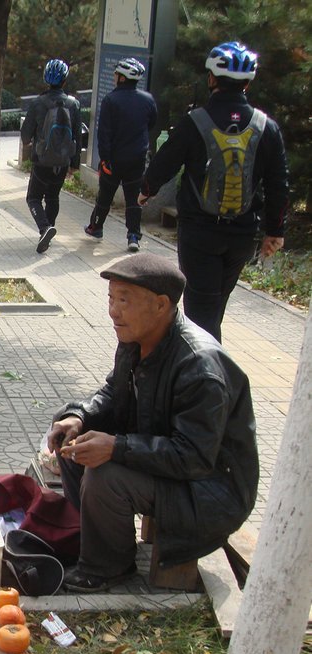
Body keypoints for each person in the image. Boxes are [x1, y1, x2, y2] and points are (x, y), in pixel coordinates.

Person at [47, 252, 258, 593]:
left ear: (161, 306)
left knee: (105, 474)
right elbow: (113, 393)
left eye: (124, 301)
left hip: (211, 489)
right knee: (74, 446)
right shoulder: (137, 339)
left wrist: (116, 447)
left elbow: (194, 457)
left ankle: (109, 568)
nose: (113, 311)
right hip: (170, 460)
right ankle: (90, 539)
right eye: (111, 299)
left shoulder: (199, 367)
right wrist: (80, 416)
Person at [139, 42, 288, 342]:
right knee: (215, 306)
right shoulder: (266, 127)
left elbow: (166, 161)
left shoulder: (195, 122)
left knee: (201, 314)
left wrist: (146, 190)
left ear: (211, 79)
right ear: (247, 83)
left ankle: (204, 379)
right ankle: (205, 372)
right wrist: (275, 230)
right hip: (242, 235)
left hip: (200, 232)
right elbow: (277, 182)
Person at [84, 58, 157, 253]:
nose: (115, 77)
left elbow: (104, 133)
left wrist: (105, 159)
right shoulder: (148, 100)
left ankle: (96, 227)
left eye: (116, 74)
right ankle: (133, 236)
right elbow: (151, 124)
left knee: (105, 196)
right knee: (133, 199)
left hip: (114, 160)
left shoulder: (111, 100)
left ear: (122, 78)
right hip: (137, 159)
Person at [20, 59, 82, 254]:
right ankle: (48, 231)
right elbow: (78, 134)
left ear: (46, 79)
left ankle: (44, 228)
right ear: (64, 80)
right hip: (62, 161)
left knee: (33, 198)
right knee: (53, 196)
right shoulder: (74, 104)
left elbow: (26, 134)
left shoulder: (38, 103)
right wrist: (75, 164)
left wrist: (28, 143)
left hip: (42, 161)